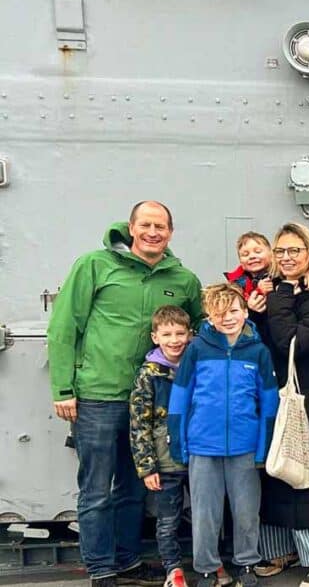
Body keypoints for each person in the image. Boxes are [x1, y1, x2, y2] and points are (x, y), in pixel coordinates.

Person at [47, 201, 202, 587]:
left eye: (161, 226)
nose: (153, 232)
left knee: (136, 487)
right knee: (97, 488)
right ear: (131, 228)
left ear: (170, 232)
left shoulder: (182, 279)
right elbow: (65, 326)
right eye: (146, 225)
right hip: (100, 395)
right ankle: (101, 569)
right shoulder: (95, 266)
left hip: (156, 401)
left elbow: (204, 326)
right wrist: (63, 387)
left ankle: (128, 561)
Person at [168, 283, 280, 587]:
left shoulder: (258, 352)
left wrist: (263, 447)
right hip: (203, 446)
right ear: (209, 316)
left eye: (233, 311)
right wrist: (179, 443)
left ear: (245, 311)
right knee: (205, 514)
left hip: (244, 447)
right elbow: (180, 398)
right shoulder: (197, 350)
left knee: (246, 512)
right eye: (219, 313)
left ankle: (246, 562)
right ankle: (205, 566)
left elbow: (269, 402)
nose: (227, 318)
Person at [255, 223, 309, 587]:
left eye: (296, 251)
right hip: (269, 392)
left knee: (306, 469)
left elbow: (289, 342)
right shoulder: (273, 290)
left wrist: (281, 296)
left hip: (304, 393)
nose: (287, 257)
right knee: (272, 468)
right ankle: (279, 548)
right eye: (281, 251)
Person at [128, 306, 193, 587]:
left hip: (199, 456)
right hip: (165, 462)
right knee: (168, 520)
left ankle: (209, 564)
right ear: (155, 337)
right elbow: (139, 423)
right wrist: (146, 467)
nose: (174, 340)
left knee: (205, 515)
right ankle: (173, 569)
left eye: (180, 333)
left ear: (190, 335)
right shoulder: (148, 375)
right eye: (167, 334)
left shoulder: (197, 365)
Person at [226, 232, 276, 337]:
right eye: (245, 254)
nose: (252, 256)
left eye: (258, 251)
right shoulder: (234, 286)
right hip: (251, 339)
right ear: (241, 261)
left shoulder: (280, 275)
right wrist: (257, 292)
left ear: (271, 254)